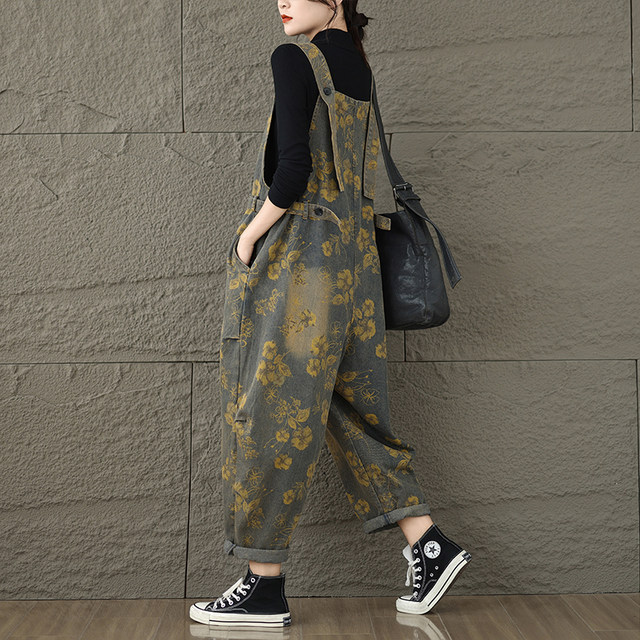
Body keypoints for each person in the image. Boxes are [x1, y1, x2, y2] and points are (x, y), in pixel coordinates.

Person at [190, 0, 472, 628]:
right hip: (356, 262)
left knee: (270, 409)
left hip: (301, 262)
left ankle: (263, 586)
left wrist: (248, 237)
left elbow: (292, 171)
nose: (282, 1)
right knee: (349, 405)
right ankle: (427, 542)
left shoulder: (295, 57)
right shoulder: (357, 66)